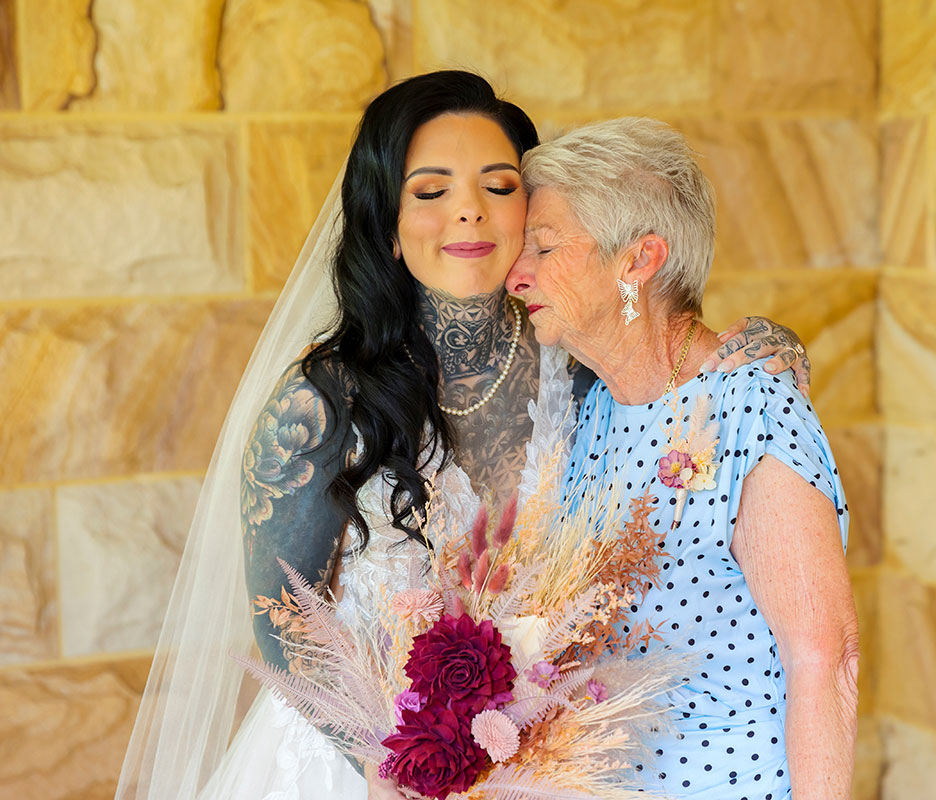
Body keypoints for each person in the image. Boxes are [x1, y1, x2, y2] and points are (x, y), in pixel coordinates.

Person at [116, 71, 810, 800]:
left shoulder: (580, 372)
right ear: (386, 223)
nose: (470, 213)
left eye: (498, 186)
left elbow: (676, 366)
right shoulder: (319, 410)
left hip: (539, 768)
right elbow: (281, 628)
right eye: (431, 191)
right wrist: (409, 775)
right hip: (353, 769)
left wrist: (769, 346)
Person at [505, 117, 858, 799]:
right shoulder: (592, 407)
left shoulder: (754, 409)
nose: (517, 276)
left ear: (639, 261)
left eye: (543, 248)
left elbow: (827, 660)